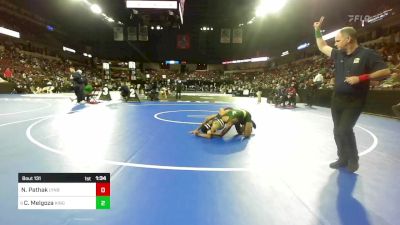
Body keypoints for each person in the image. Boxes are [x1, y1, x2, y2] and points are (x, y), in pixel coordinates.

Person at [314, 17, 391, 172]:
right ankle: (342, 158)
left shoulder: (367, 54)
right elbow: (322, 46)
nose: (335, 44)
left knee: (344, 129)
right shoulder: (338, 54)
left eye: (337, 41)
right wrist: (316, 30)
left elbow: (386, 71)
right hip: (337, 100)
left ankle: (353, 159)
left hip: (355, 100)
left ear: (348, 39)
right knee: (337, 131)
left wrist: (361, 78)